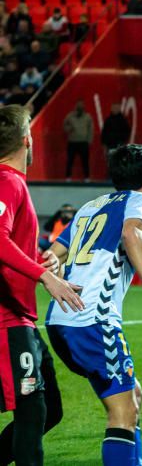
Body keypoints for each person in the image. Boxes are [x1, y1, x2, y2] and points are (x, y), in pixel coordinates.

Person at [46, 143, 142, 466]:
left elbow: (51, 257)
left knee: (133, 397)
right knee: (122, 411)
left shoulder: (90, 206)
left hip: (60, 319)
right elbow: (132, 234)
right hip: (93, 319)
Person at [0, 105, 85, 465]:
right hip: (8, 320)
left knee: (48, 409)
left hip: (20, 319)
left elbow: (11, 241)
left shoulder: (11, 182)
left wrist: (38, 258)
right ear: (26, 140)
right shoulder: (6, 181)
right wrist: (44, 275)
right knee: (33, 412)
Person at [64, 100, 93, 180]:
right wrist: (69, 128)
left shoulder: (87, 117)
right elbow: (65, 126)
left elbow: (90, 129)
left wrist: (89, 141)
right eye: (78, 105)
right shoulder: (70, 116)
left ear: (84, 106)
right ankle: (68, 177)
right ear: (76, 106)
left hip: (83, 142)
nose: (80, 106)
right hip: (72, 141)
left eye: (81, 105)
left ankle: (87, 177)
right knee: (70, 160)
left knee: (85, 161)